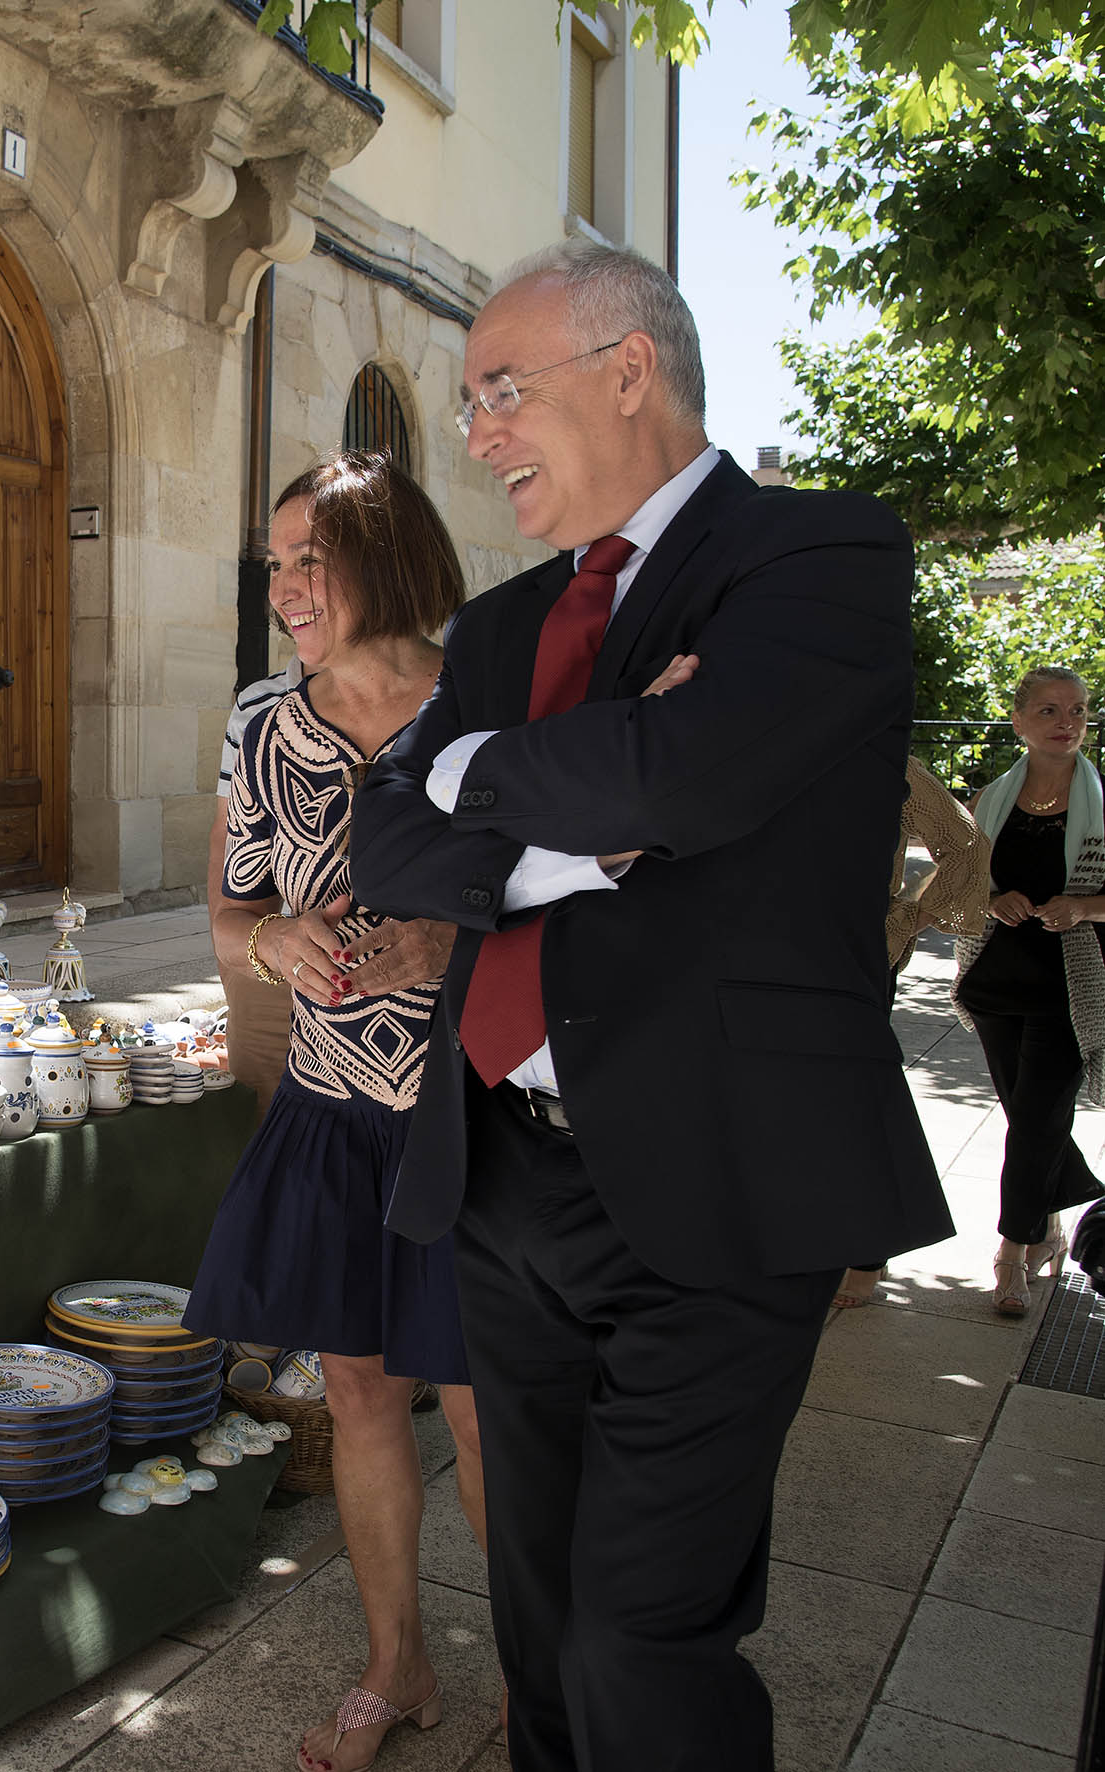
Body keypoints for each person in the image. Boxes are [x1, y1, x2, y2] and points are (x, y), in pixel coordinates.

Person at [351, 241, 951, 1772]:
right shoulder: (494, 631)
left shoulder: (814, 556)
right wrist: (573, 825)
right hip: (500, 1173)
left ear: (628, 371)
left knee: (641, 1635)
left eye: (501, 392)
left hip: (715, 1178)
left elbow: (684, 775)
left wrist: (477, 780)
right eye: (467, 400)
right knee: (540, 1618)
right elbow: (386, 839)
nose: (473, 435)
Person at [186, 451, 481, 1772]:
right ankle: (393, 1665)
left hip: (470, 1116)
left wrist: (447, 950)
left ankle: (544, 1680)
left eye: (314, 557)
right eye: (276, 564)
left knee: (482, 1405)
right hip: (331, 1109)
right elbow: (229, 909)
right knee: (358, 1396)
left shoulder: (486, 711)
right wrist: (270, 950)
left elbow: (576, 905)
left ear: (386, 555)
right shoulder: (259, 727)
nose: (289, 587)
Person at [951, 665, 1105, 1315]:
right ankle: (1044, 1219)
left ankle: (1011, 1250)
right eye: (1046, 710)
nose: (1065, 721)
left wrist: (1083, 907)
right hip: (993, 983)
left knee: (1038, 1119)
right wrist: (991, 898)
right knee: (1030, 1119)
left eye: (1075, 709)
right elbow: (950, 883)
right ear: (1016, 721)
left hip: (1070, 989)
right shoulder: (988, 800)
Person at [835, 757, 992, 1307]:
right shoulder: (752, 739)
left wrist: (906, 920)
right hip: (755, 964)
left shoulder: (886, 757)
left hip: (853, 963)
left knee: (859, 1106)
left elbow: (967, 847)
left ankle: (865, 1252)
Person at [210, 652, 306, 1112]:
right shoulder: (258, 703)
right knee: (261, 1130)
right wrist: (233, 959)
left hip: (390, 979)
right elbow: (227, 835)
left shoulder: (446, 694)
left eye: (309, 572)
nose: (285, 591)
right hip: (270, 968)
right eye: (278, 572)